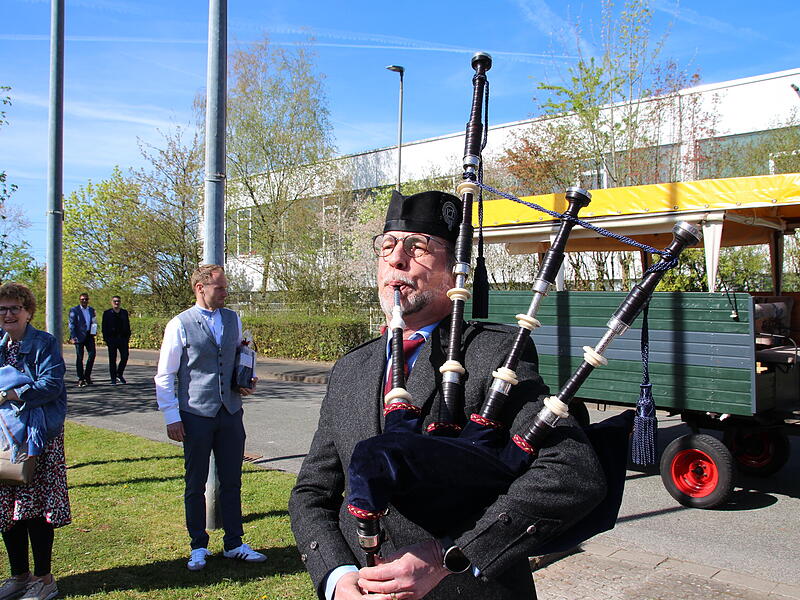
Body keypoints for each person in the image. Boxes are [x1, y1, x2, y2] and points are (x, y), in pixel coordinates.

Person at [289, 190, 606, 600]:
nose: (396, 259)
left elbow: (572, 471)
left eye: (417, 247)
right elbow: (313, 492)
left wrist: (449, 555)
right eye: (387, 245)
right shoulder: (352, 367)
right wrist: (336, 575)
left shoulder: (494, 353)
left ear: (456, 270)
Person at [154, 264, 267, 571]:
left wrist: (246, 379)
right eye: (220, 288)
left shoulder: (232, 318)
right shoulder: (179, 324)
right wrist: (171, 416)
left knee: (232, 480)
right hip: (196, 414)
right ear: (200, 288)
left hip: (230, 412)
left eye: (225, 287)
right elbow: (165, 374)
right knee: (195, 483)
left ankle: (234, 543)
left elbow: (240, 355)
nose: (225, 293)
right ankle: (198, 546)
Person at [0, 283, 70, 600]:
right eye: (2, 309)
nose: (8, 314)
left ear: (28, 311)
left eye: (15, 308)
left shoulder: (44, 343)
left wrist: (12, 394)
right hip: (4, 436)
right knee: (8, 509)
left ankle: (44, 579)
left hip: (37, 437)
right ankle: (19, 576)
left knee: (35, 508)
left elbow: (52, 385)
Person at [67, 293, 96, 387]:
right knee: (80, 357)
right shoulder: (74, 310)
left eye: (86, 299)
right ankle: (81, 378)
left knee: (92, 354)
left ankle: (87, 376)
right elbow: (72, 324)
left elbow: (94, 322)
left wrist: (94, 331)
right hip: (79, 336)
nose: (84, 301)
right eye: (82, 299)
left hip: (89, 335)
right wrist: (73, 336)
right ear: (79, 300)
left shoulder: (91, 310)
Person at [101, 296, 131, 385]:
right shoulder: (107, 313)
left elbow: (127, 325)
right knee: (112, 359)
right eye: (115, 301)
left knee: (125, 356)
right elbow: (104, 326)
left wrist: (127, 336)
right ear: (112, 302)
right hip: (112, 339)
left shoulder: (124, 312)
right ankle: (113, 378)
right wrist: (106, 339)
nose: (116, 303)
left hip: (123, 339)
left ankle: (119, 374)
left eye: (118, 301)